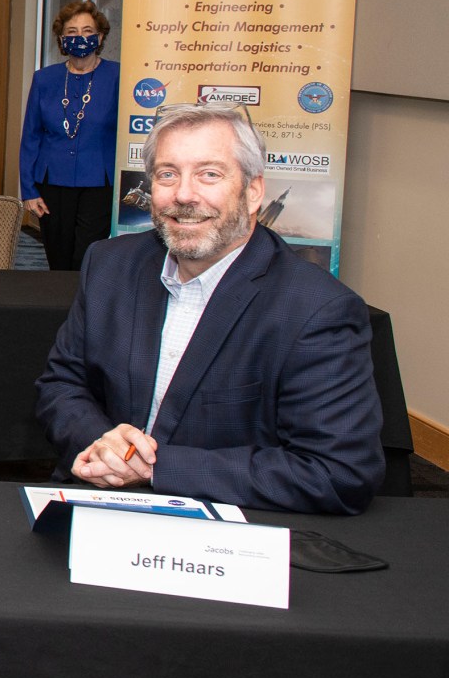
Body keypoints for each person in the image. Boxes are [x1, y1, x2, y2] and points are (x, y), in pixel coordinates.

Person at [36, 103, 383, 515]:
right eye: (167, 174)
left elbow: (337, 472)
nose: (184, 194)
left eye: (210, 174)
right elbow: (61, 385)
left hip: (224, 533)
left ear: (254, 192)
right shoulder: (109, 265)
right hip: (95, 504)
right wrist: (104, 444)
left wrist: (154, 468)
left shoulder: (315, 310)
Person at [19, 0, 120, 270]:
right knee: (58, 257)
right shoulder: (44, 79)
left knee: (86, 258)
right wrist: (28, 190)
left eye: (87, 31)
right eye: (72, 32)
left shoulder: (118, 76)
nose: (80, 38)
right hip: (53, 183)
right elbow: (31, 136)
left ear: (99, 37)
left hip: (99, 183)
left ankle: (85, 311)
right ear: (62, 40)